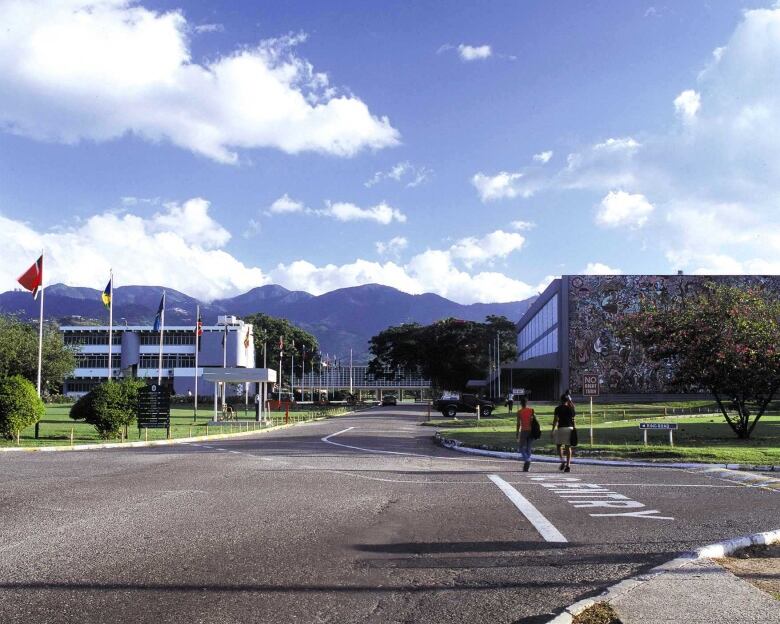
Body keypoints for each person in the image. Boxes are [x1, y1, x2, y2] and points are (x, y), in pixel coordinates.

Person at [552, 392, 576, 472]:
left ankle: (562, 461)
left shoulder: (557, 408)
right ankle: (568, 465)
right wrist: (570, 401)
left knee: (559, 446)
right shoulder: (570, 408)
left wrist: (553, 429)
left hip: (561, 428)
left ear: (561, 400)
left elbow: (555, 420)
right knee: (568, 447)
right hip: (570, 428)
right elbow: (574, 413)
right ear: (567, 400)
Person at [516, 396, 535, 472]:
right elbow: (535, 421)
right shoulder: (531, 410)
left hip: (524, 431)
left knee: (521, 447)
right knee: (528, 447)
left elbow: (518, 424)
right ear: (527, 403)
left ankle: (527, 459)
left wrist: (517, 433)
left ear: (521, 403)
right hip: (531, 431)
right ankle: (527, 464)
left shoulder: (519, 412)